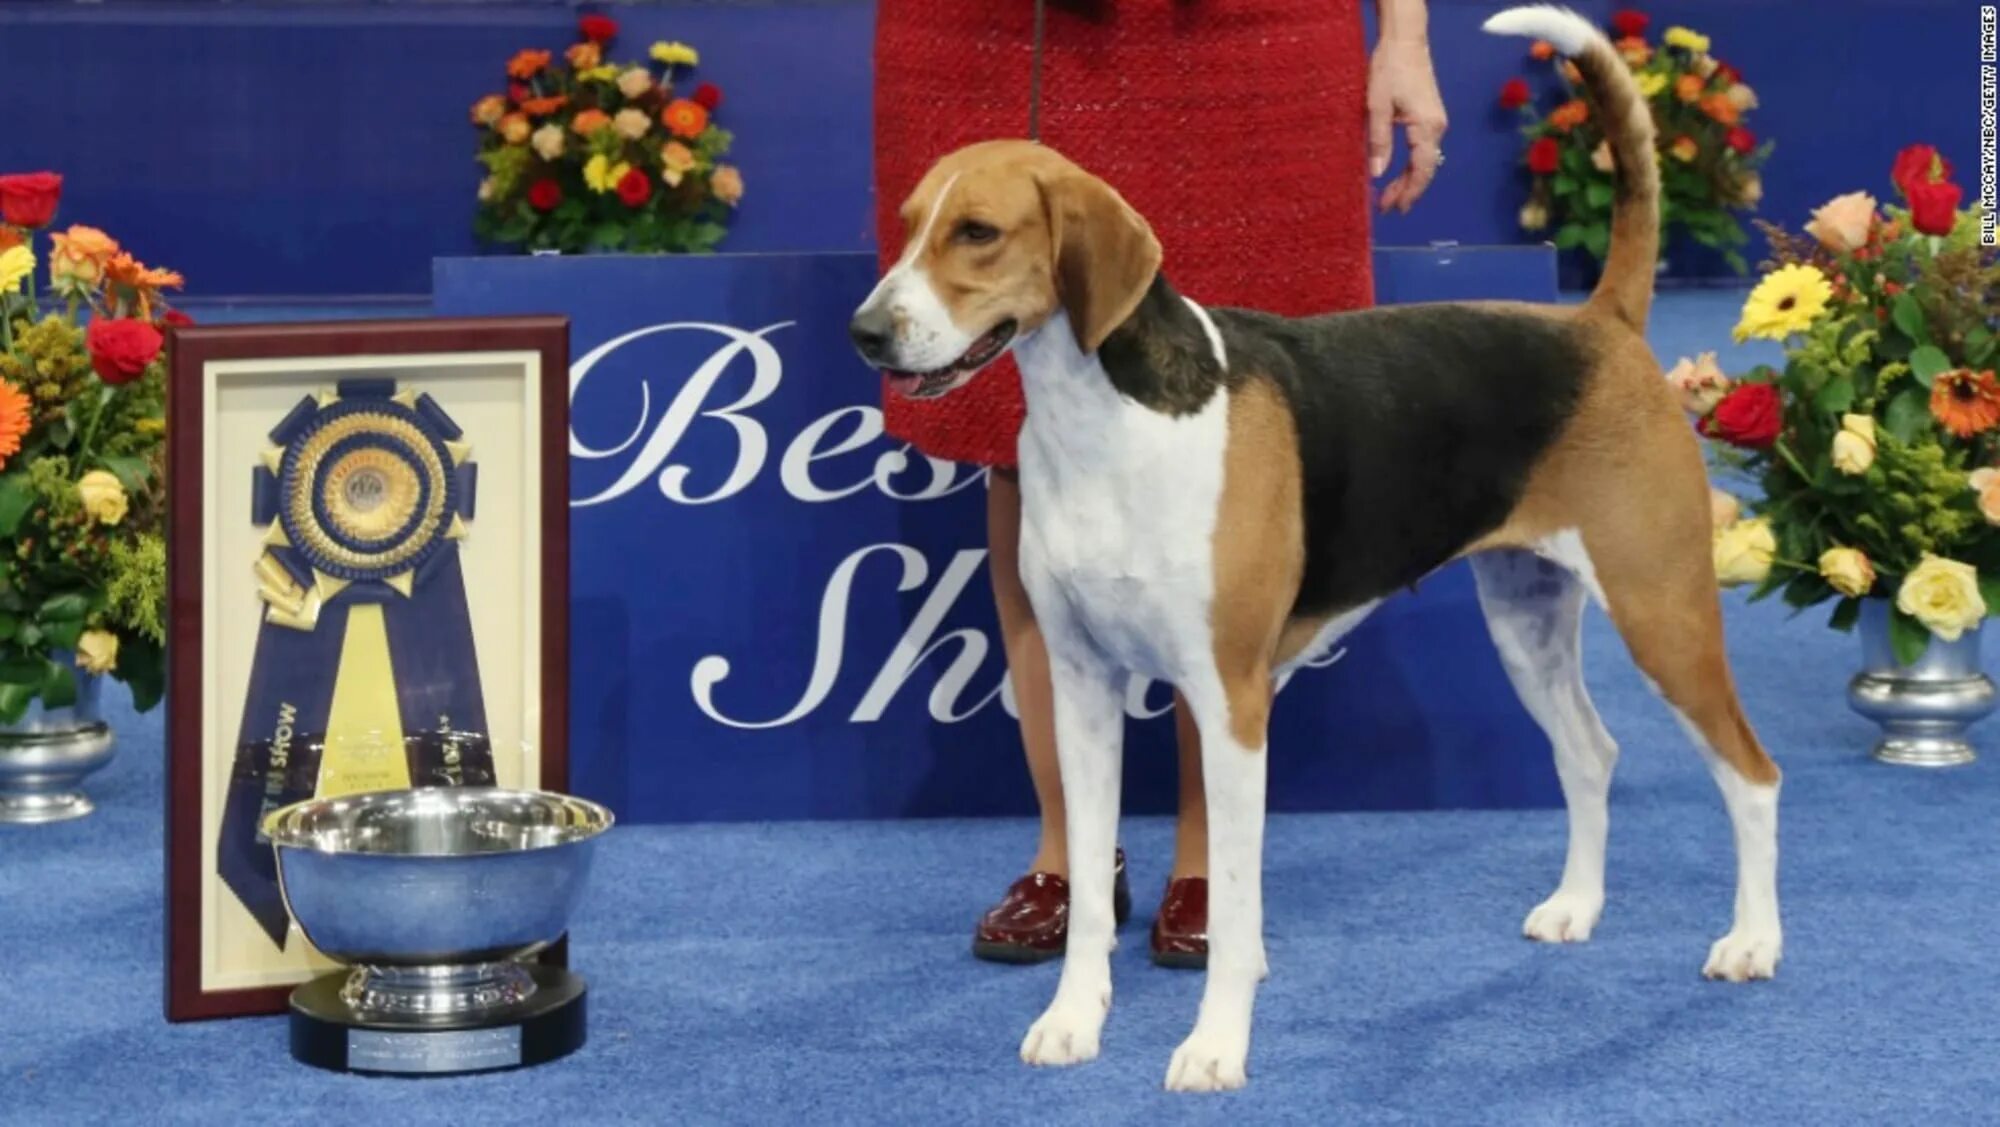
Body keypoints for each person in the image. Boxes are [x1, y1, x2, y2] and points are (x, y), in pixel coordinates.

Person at [872, 0, 1447, 966]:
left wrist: (1406, 36)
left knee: (1251, 438)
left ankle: (1208, 855)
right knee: (1027, 446)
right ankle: (1070, 852)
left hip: (1249, 39)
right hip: (997, 34)